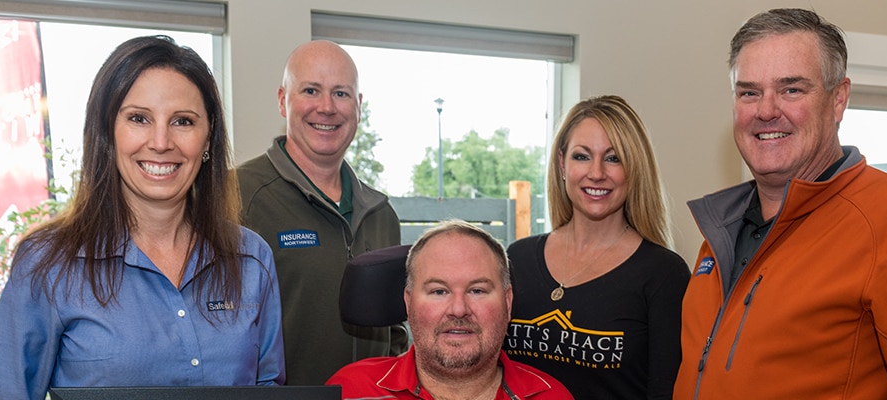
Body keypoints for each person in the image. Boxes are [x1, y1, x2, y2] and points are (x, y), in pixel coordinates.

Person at [675, 8, 887, 399]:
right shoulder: (721, 235)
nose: (766, 110)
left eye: (792, 89)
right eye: (749, 92)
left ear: (839, 101)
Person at [0, 35, 285, 399]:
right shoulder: (48, 264)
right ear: (107, 132)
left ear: (208, 137)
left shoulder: (251, 259)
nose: (161, 142)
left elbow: (270, 390)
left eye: (183, 121)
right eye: (139, 118)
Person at [236, 39, 404, 385]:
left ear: (358, 106)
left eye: (341, 94)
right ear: (283, 101)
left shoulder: (381, 214)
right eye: (311, 90)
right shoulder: (237, 195)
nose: (326, 107)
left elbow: (395, 329)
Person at [503, 95, 689, 399]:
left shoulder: (664, 274)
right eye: (582, 156)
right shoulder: (516, 260)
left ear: (634, 169)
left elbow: (665, 391)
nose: (597, 172)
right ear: (562, 163)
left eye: (613, 158)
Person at [327, 220, 574, 399]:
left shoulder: (551, 396)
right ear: (408, 302)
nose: (458, 309)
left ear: (507, 303)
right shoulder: (350, 390)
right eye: (439, 291)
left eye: (477, 290)